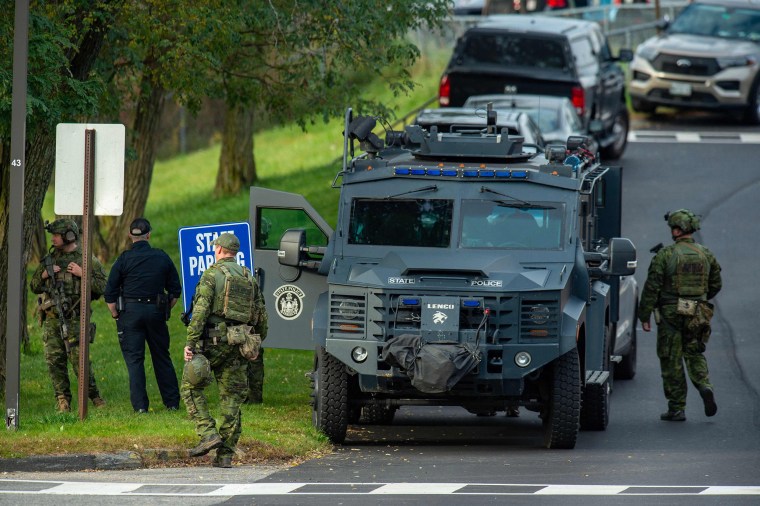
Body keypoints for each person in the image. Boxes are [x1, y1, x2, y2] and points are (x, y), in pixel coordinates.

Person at [181, 232, 268, 467]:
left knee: (190, 387)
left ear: (219, 250)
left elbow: (199, 313)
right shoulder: (249, 278)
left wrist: (190, 344)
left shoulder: (212, 275)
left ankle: (208, 433)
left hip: (212, 344)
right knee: (232, 402)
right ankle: (226, 455)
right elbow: (261, 316)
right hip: (239, 346)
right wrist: (257, 342)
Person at [638, 209, 722, 422]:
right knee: (694, 352)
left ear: (677, 230)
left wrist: (644, 315)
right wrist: (699, 300)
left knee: (671, 358)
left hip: (671, 312)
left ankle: (676, 408)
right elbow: (715, 285)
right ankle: (704, 385)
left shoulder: (665, 255)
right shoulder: (706, 254)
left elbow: (651, 288)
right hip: (698, 311)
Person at [104, 218, 182, 413]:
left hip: (130, 314)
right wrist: (165, 309)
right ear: (149, 234)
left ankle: (140, 408)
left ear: (130, 235)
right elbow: (175, 290)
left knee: (135, 361)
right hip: (155, 312)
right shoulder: (161, 257)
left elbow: (110, 294)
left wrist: (116, 315)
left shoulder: (123, 259)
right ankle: (172, 403)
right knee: (162, 357)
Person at [30, 219, 107, 413]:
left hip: (75, 319)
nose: (53, 239)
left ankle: (94, 396)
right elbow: (34, 286)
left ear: (69, 236)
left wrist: (83, 274)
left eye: (56, 235)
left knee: (79, 360)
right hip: (52, 319)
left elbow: (104, 287)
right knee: (54, 361)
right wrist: (45, 276)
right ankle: (62, 400)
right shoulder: (50, 259)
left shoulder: (86, 259)